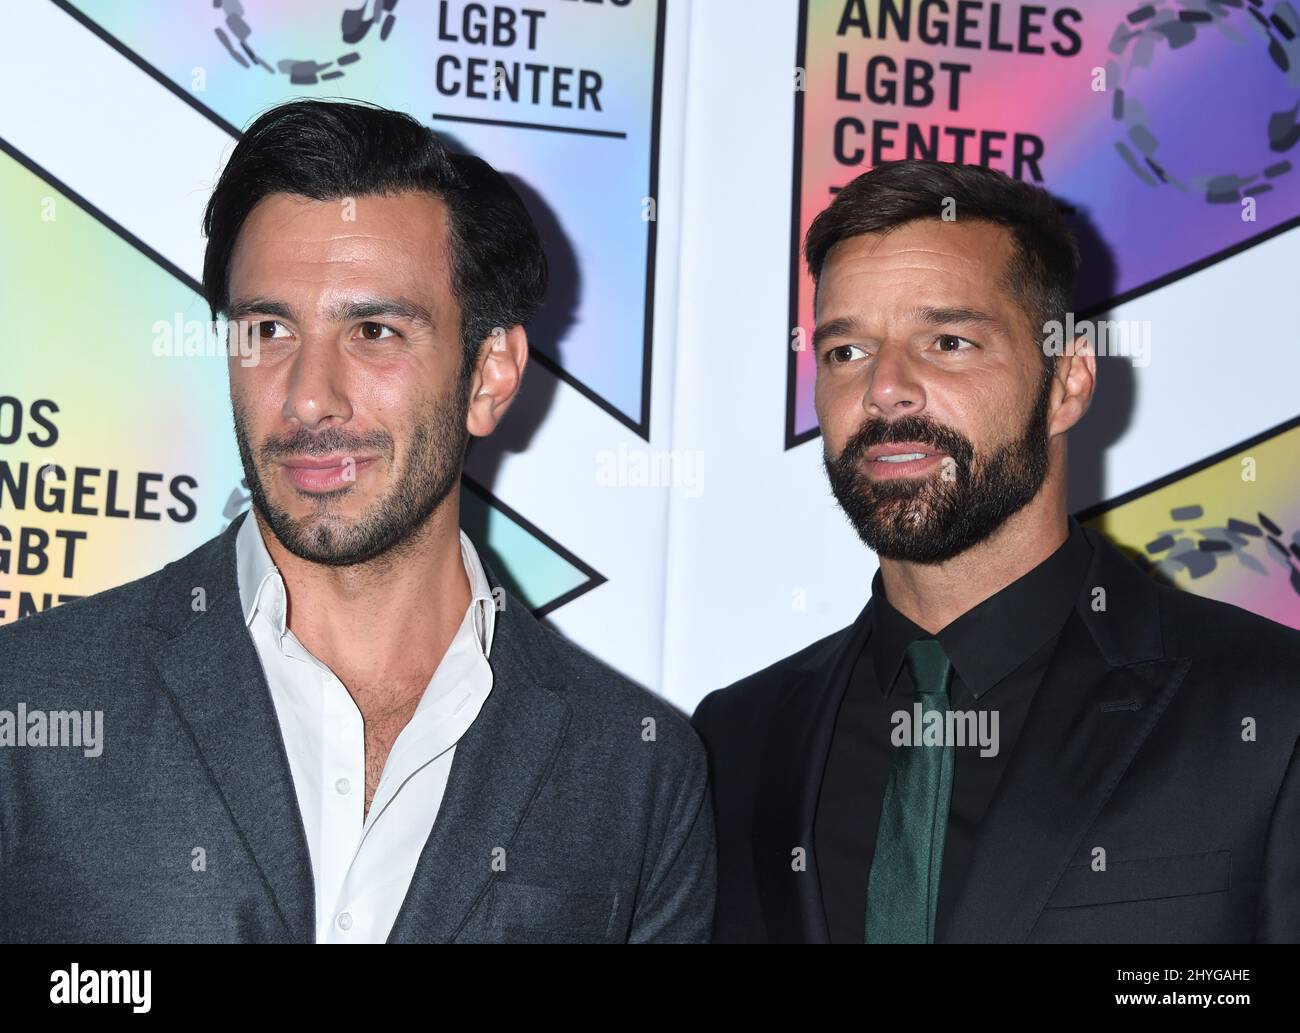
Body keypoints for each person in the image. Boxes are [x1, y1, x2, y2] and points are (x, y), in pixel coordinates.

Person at [0, 100, 713, 944]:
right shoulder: (31, 701)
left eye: (374, 330)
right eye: (268, 329)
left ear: (489, 374)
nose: (307, 395)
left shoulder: (636, 770)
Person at [693, 159, 1300, 944]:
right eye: (847, 352)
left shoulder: (1268, 711)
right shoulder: (734, 739)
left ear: (1067, 382)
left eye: (947, 341)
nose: (886, 391)